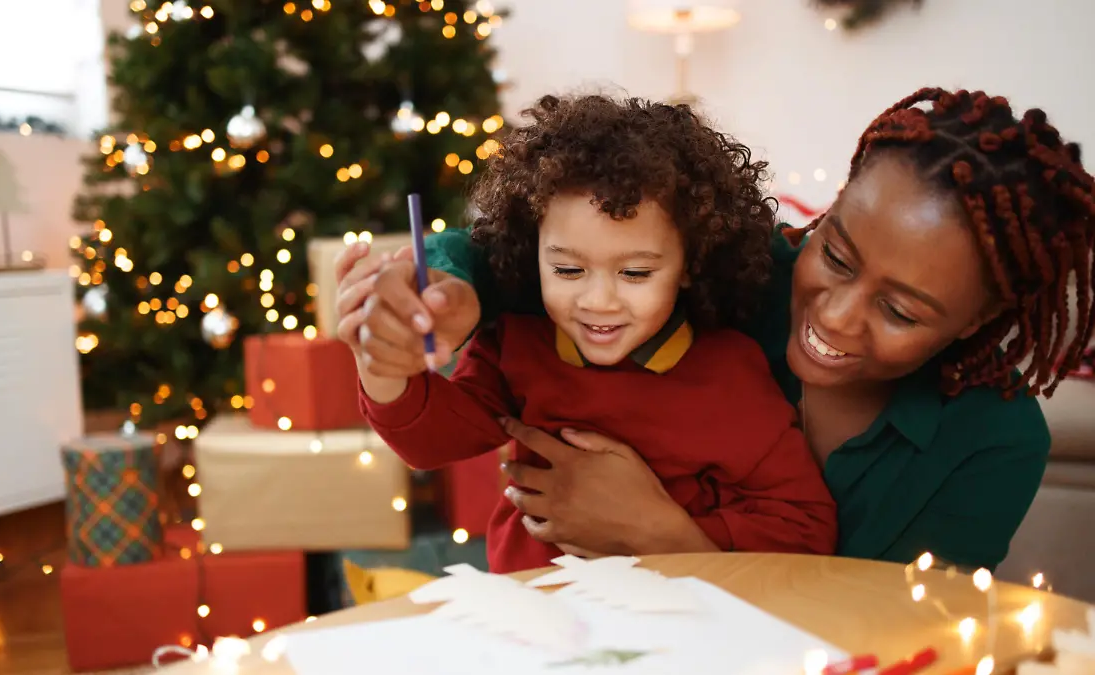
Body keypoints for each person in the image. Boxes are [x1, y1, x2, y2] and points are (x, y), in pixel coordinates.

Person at [338, 88, 1095, 571]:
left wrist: (659, 532)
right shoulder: (738, 264)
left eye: (902, 310)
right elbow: (504, 253)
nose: (832, 314)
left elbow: (889, 622)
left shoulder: (995, 441)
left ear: (982, 319)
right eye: (835, 250)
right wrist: (425, 298)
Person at [350, 94, 837, 574]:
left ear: (689, 264)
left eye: (635, 274)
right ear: (530, 251)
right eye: (566, 269)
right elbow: (432, 443)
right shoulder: (517, 343)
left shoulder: (731, 371)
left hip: (676, 627)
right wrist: (384, 368)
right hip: (538, 620)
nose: (598, 301)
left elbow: (805, 529)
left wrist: (682, 537)